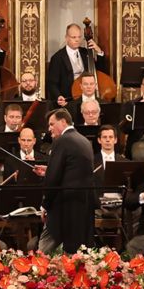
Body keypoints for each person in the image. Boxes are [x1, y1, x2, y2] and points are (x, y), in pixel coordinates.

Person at [43, 108, 97, 251]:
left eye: (51, 124)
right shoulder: (84, 140)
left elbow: (53, 177)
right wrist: (47, 170)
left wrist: (45, 205)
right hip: (82, 206)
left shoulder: (62, 141)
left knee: (44, 250)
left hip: (64, 207)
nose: (49, 129)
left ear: (63, 121)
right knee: (76, 254)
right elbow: (72, 171)